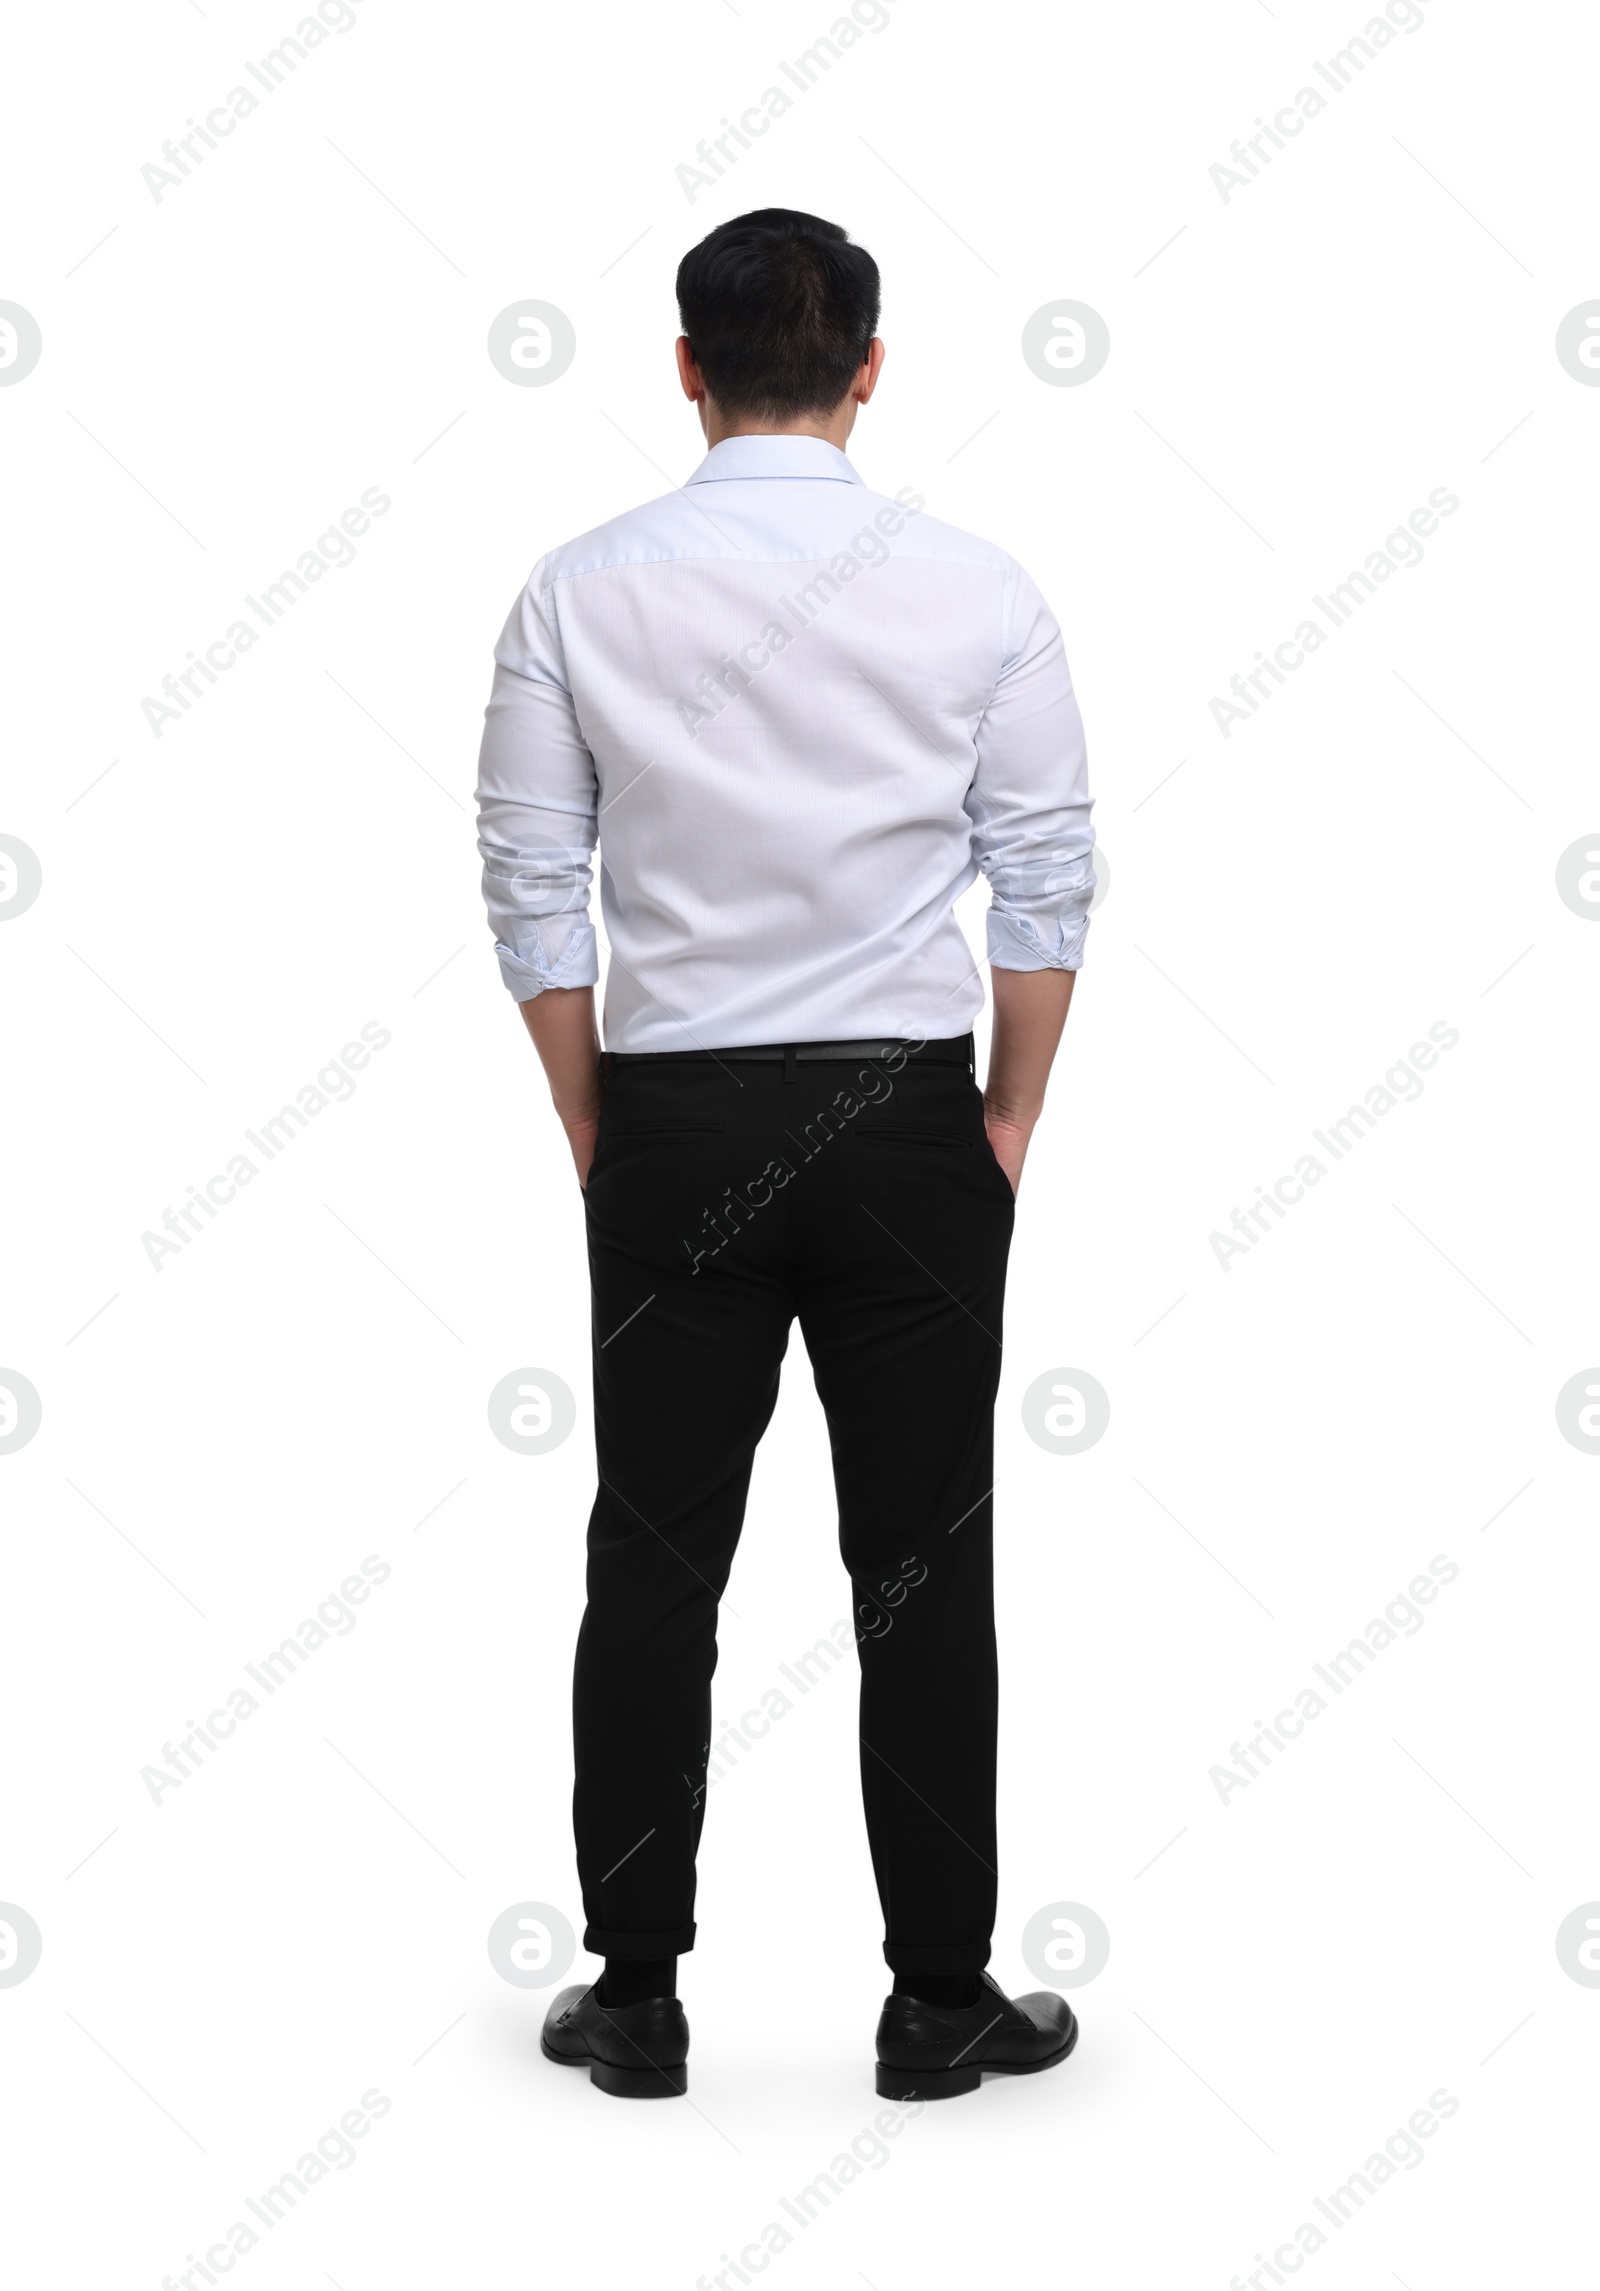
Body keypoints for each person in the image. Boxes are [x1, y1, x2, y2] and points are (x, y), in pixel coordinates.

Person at [475, 207, 1095, 2102]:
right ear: (871, 369)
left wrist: (592, 1112)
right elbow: (1047, 882)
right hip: (908, 1121)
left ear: (684, 366)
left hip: (670, 1123)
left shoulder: (578, 589)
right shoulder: (980, 590)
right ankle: (937, 2000)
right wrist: (1001, 1122)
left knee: (654, 1556)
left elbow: (530, 889)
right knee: (920, 1565)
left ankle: (638, 1996)